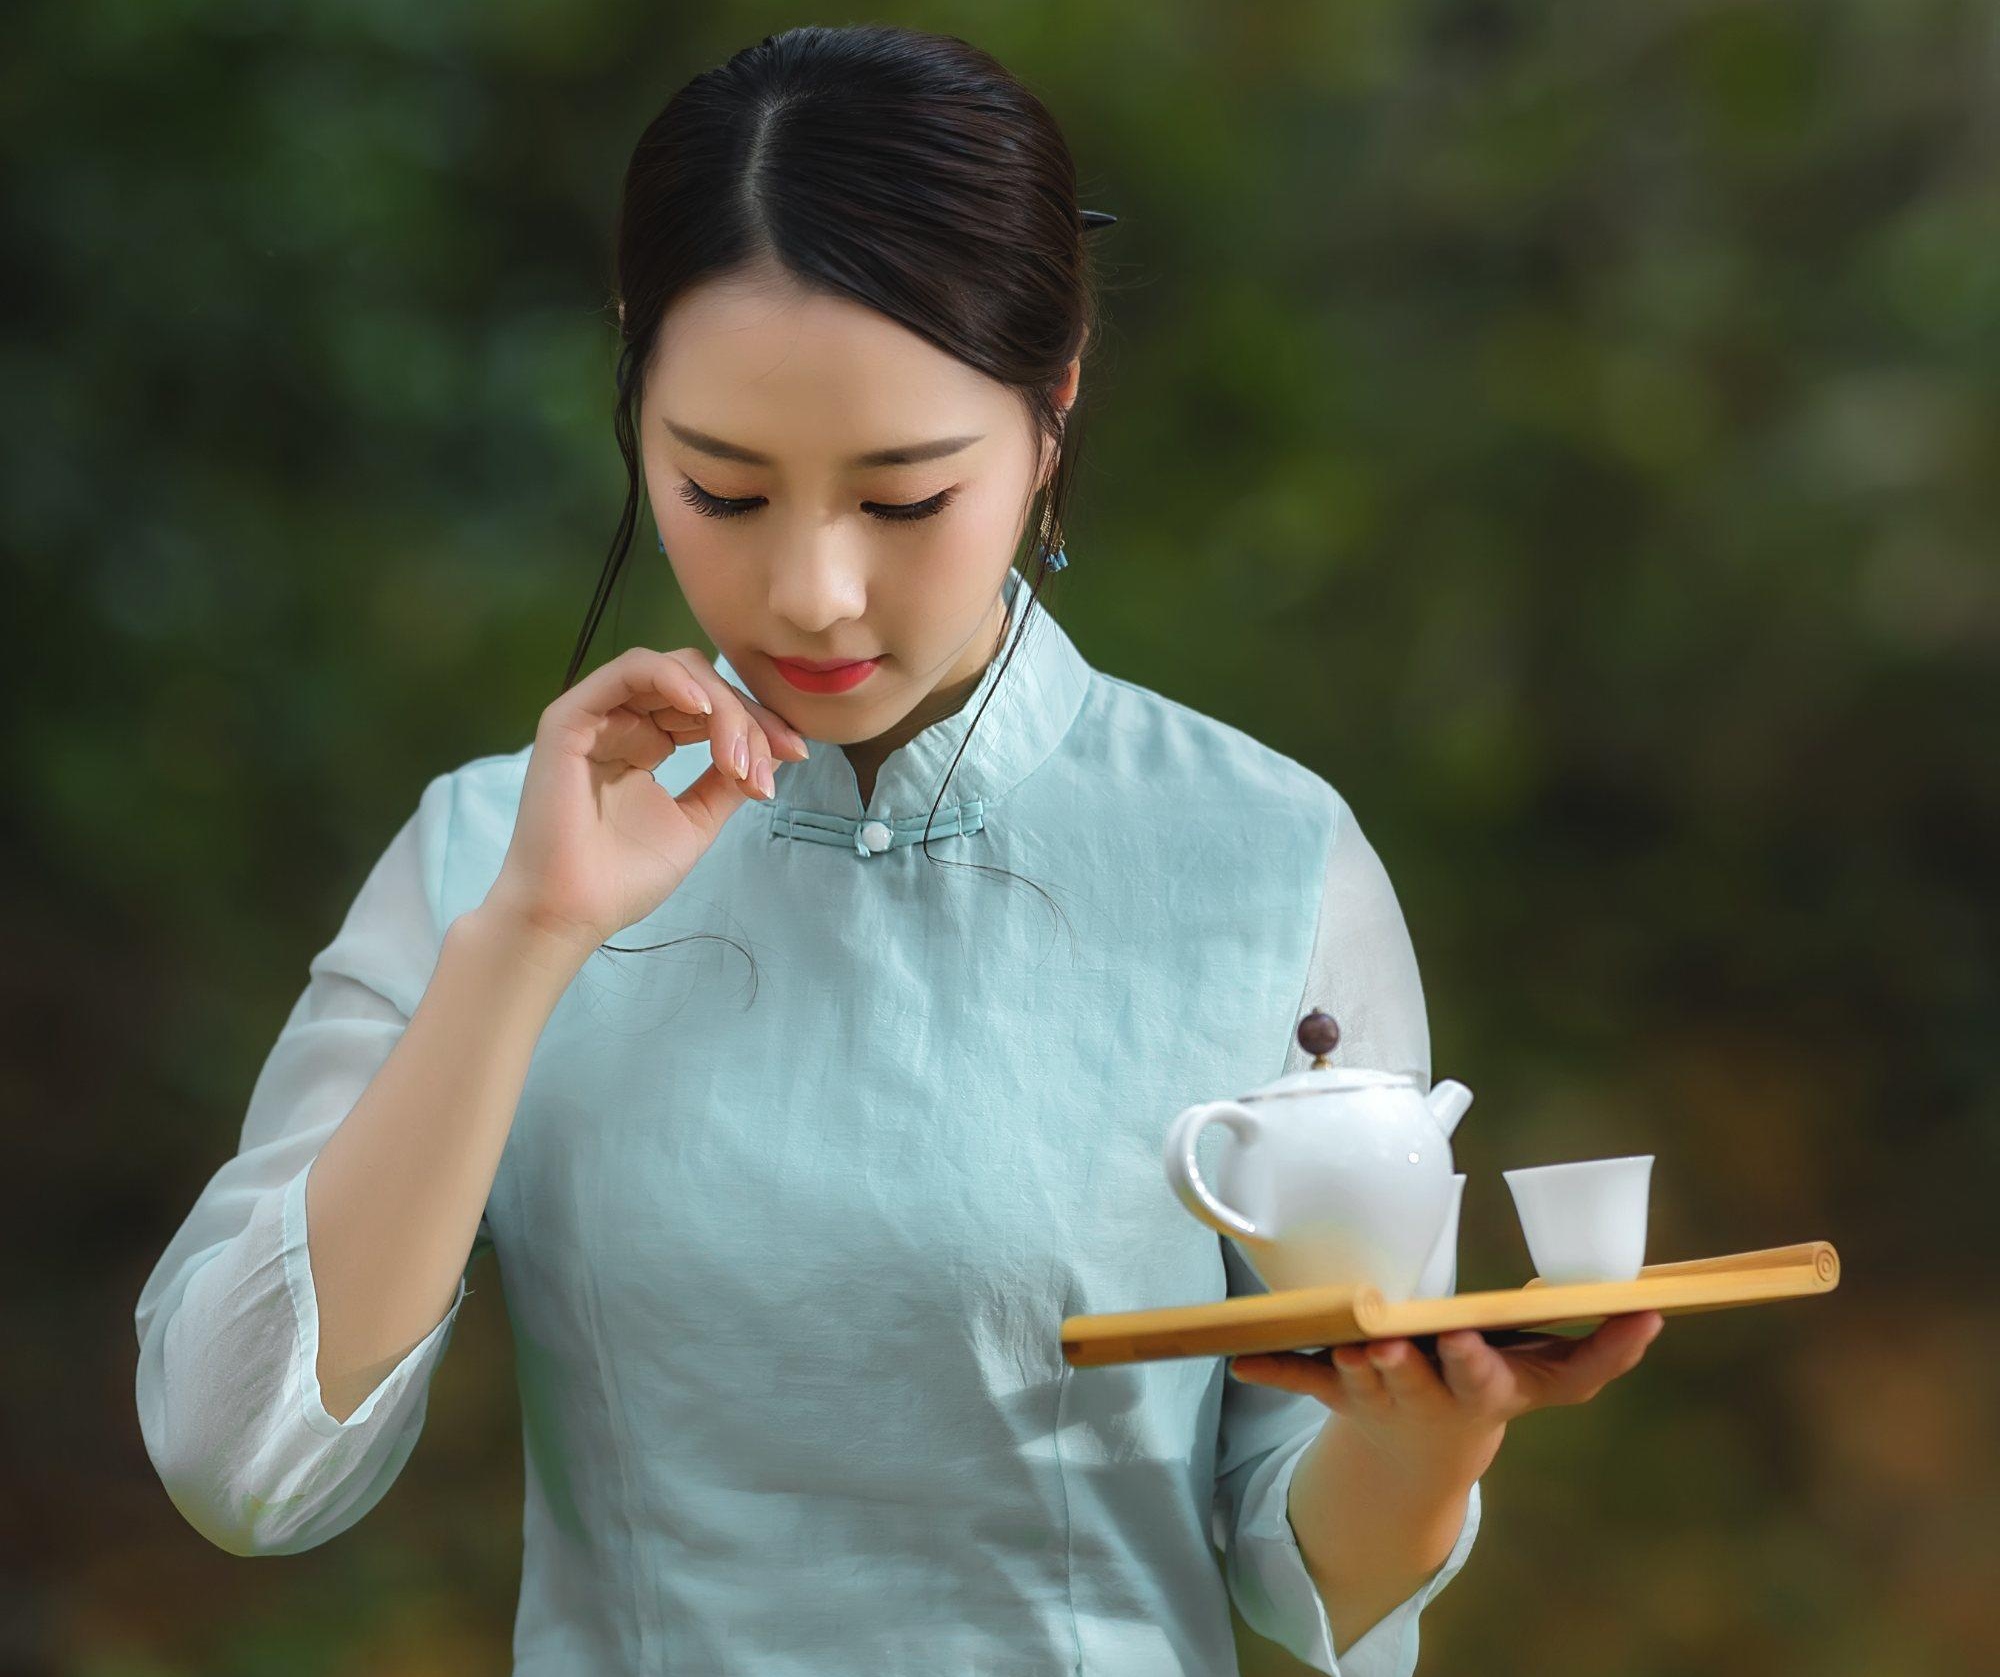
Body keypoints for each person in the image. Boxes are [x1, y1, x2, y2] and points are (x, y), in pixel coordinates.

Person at [133, 22, 1662, 1677]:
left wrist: (1430, 1448)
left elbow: (1302, 1561)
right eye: (723, 490)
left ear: (1055, 400)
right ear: (636, 388)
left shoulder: (1265, 860)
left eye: (905, 497)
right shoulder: (486, 856)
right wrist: (524, 939)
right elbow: (244, 1466)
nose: (811, 592)